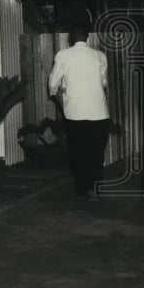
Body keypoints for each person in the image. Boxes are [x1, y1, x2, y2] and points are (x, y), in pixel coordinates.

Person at [48, 23, 110, 201]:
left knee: (78, 151)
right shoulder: (100, 56)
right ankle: (95, 188)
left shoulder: (63, 55)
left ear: (70, 39)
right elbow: (103, 83)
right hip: (99, 112)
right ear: (88, 37)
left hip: (75, 113)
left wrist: (56, 94)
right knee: (97, 152)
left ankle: (82, 188)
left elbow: (53, 83)